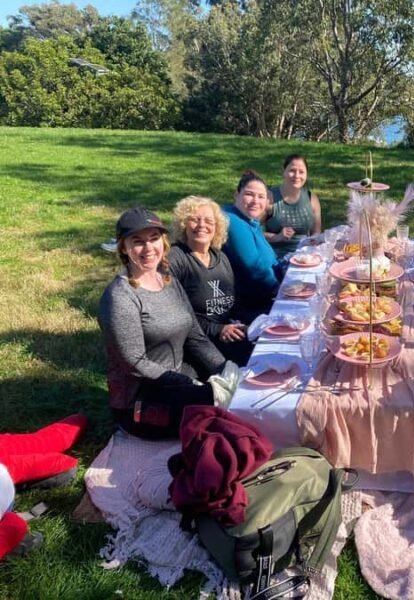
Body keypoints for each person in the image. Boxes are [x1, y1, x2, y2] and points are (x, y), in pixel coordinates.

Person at [98, 208, 240, 440]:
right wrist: (190, 385)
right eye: (138, 241)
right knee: (225, 423)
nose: (148, 248)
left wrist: (225, 369)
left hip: (178, 378)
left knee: (242, 390)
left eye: (154, 238)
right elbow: (134, 363)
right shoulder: (120, 297)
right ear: (123, 247)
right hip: (142, 401)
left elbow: (195, 336)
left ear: (163, 242)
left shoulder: (167, 280)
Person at [170, 196, 253, 366]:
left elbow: (231, 303)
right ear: (183, 224)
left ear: (217, 228)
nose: (202, 225)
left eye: (209, 221)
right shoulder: (176, 259)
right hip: (196, 343)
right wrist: (217, 330)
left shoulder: (221, 258)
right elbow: (175, 315)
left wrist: (247, 324)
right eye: (195, 220)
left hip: (228, 334)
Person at [223, 170, 281, 322]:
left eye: (261, 196)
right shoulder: (233, 222)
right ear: (237, 195)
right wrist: (282, 290)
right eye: (249, 194)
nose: (255, 201)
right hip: (251, 307)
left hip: (264, 296)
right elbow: (254, 269)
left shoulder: (249, 220)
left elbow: (269, 259)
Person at [265, 154, 322, 258]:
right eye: (292, 170)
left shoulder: (312, 198)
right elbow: (253, 231)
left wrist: (313, 240)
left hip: (304, 257)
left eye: (301, 172)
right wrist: (276, 237)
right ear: (283, 172)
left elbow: (316, 232)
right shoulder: (270, 197)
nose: (297, 176)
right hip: (276, 256)